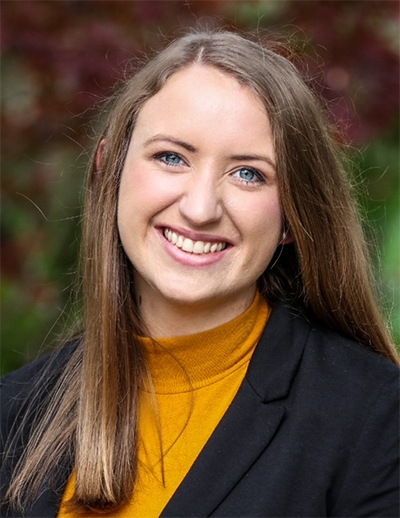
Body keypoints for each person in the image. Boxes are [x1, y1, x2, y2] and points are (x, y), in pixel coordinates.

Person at [1, 29, 399, 518]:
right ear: (109, 167)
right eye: (171, 157)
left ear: (293, 216)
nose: (200, 207)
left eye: (248, 173)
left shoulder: (372, 416)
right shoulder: (15, 413)